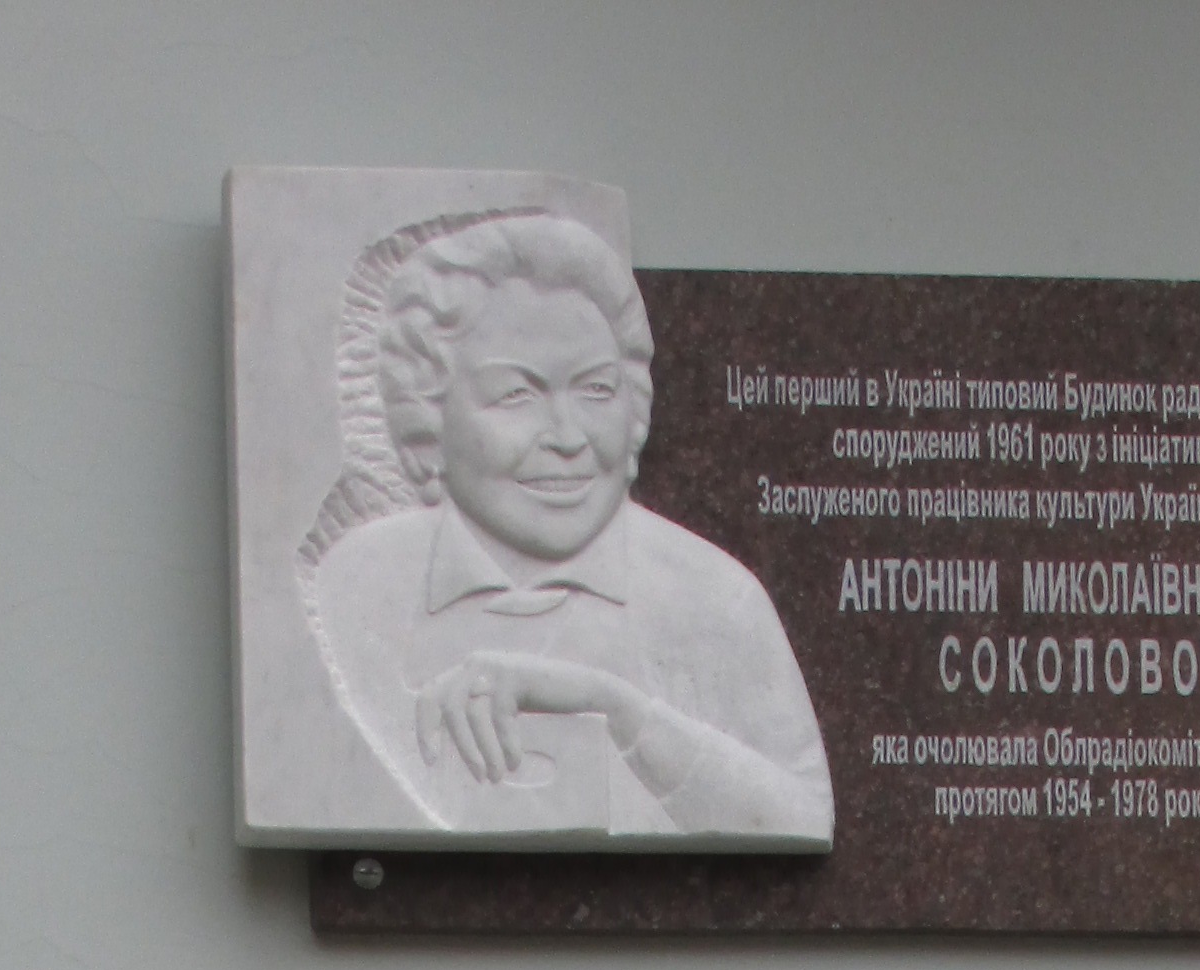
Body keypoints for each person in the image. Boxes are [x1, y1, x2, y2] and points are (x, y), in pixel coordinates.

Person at [302, 212, 834, 844]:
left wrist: (618, 710)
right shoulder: (357, 586)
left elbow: (805, 821)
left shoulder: (714, 597)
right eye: (517, 395)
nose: (567, 437)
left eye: (596, 390)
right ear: (427, 412)